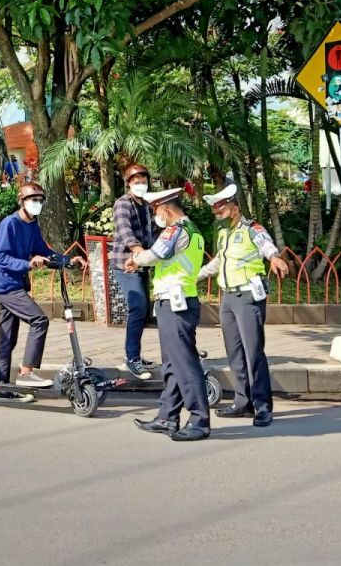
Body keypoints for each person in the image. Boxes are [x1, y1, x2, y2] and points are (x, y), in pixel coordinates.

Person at [199, 182, 288, 427]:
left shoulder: (252, 228)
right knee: (235, 353)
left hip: (248, 297)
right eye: (216, 213)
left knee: (253, 353)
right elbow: (219, 261)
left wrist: (274, 257)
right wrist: (195, 276)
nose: (218, 216)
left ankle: (262, 407)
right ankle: (242, 402)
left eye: (222, 211)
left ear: (235, 208)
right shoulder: (224, 233)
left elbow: (265, 244)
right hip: (228, 298)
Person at [0, 182, 85, 400]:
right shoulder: (10, 224)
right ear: (21, 201)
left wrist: (67, 259)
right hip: (6, 285)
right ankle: (26, 372)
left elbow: (42, 250)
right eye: (33, 200)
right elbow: (1, 257)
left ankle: (2, 388)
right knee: (39, 320)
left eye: (40, 200)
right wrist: (28, 264)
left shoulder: (32, 225)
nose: (37, 204)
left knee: (7, 339)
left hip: (15, 284)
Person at [132, 188, 211, 441]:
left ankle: (199, 421)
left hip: (177, 303)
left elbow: (156, 254)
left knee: (185, 364)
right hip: (178, 301)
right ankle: (167, 416)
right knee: (173, 364)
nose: (157, 216)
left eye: (156, 210)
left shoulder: (176, 229)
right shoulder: (194, 231)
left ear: (166, 209)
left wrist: (136, 257)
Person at [113, 164, 157, 379]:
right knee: (137, 307)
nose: (140, 184)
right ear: (128, 183)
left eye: (143, 180)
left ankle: (135, 355)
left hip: (142, 263)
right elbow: (125, 233)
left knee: (143, 312)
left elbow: (153, 234)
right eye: (136, 181)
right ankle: (131, 359)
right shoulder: (123, 204)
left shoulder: (148, 205)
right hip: (126, 264)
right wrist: (141, 254)